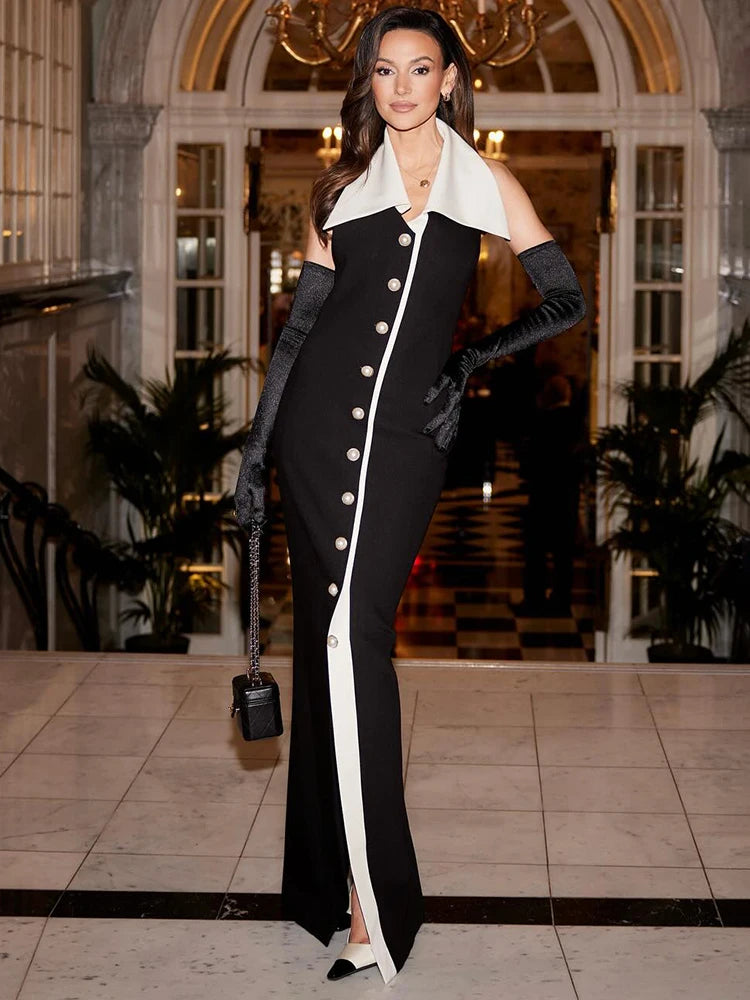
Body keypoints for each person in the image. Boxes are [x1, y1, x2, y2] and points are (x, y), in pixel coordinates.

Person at [234, 6, 585, 983]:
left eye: (419, 69)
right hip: (311, 441)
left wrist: (470, 361)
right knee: (325, 646)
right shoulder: (340, 188)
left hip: (403, 448)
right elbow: (299, 332)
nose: (400, 87)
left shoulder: (484, 183)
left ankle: (377, 901)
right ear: (369, 80)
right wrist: (256, 452)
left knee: (356, 643)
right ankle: (324, 888)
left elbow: (566, 299)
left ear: (449, 79)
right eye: (384, 70)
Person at [515, 373, 586, 616]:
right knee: (563, 553)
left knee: (536, 550)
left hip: (543, 493)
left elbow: (528, 460)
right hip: (567, 495)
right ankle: (561, 599)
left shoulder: (542, 421)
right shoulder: (577, 423)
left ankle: (534, 598)